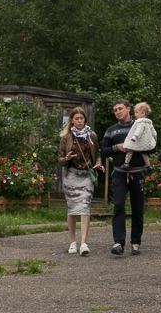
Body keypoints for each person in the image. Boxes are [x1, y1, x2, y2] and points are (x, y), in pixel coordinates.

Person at [101, 98, 156, 256]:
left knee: (137, 209)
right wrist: (117, 147)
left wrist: (137, 147)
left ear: (128, 109)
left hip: (137, 172)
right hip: (119, 172)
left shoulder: (140, 124)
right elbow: (103, 151)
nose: (117, 112)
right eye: (115, 110)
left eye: (120, 109)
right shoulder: (111, 130)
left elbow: (152, 146)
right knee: (118, 206)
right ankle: (118, 242)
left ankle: (136, 243)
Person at [57, 106, 101, 256]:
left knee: (85, 206)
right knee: (72, 208)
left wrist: (99, 164)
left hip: (87, 175)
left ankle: (83, 243)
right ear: (72, 121)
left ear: (85, 120)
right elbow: (60, 159)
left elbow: (98, 154)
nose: (79, 121)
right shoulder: (66, 137)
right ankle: (72, 242)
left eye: (81, 118)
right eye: (76, 119)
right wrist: (67, 158)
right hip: (71, 175)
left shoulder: (92, 135)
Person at [120, 101, 157, 168]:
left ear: (143, 113)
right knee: (143, 153)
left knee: (130, 150)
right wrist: (155, 137)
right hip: (144, 142)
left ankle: (126, 163)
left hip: (137, 140)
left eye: (136, 112)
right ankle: (148, 165)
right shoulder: (149, 122)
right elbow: (153, 131)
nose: (135, 114)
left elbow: (139, 130)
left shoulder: (140, 122)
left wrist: (135, 136)